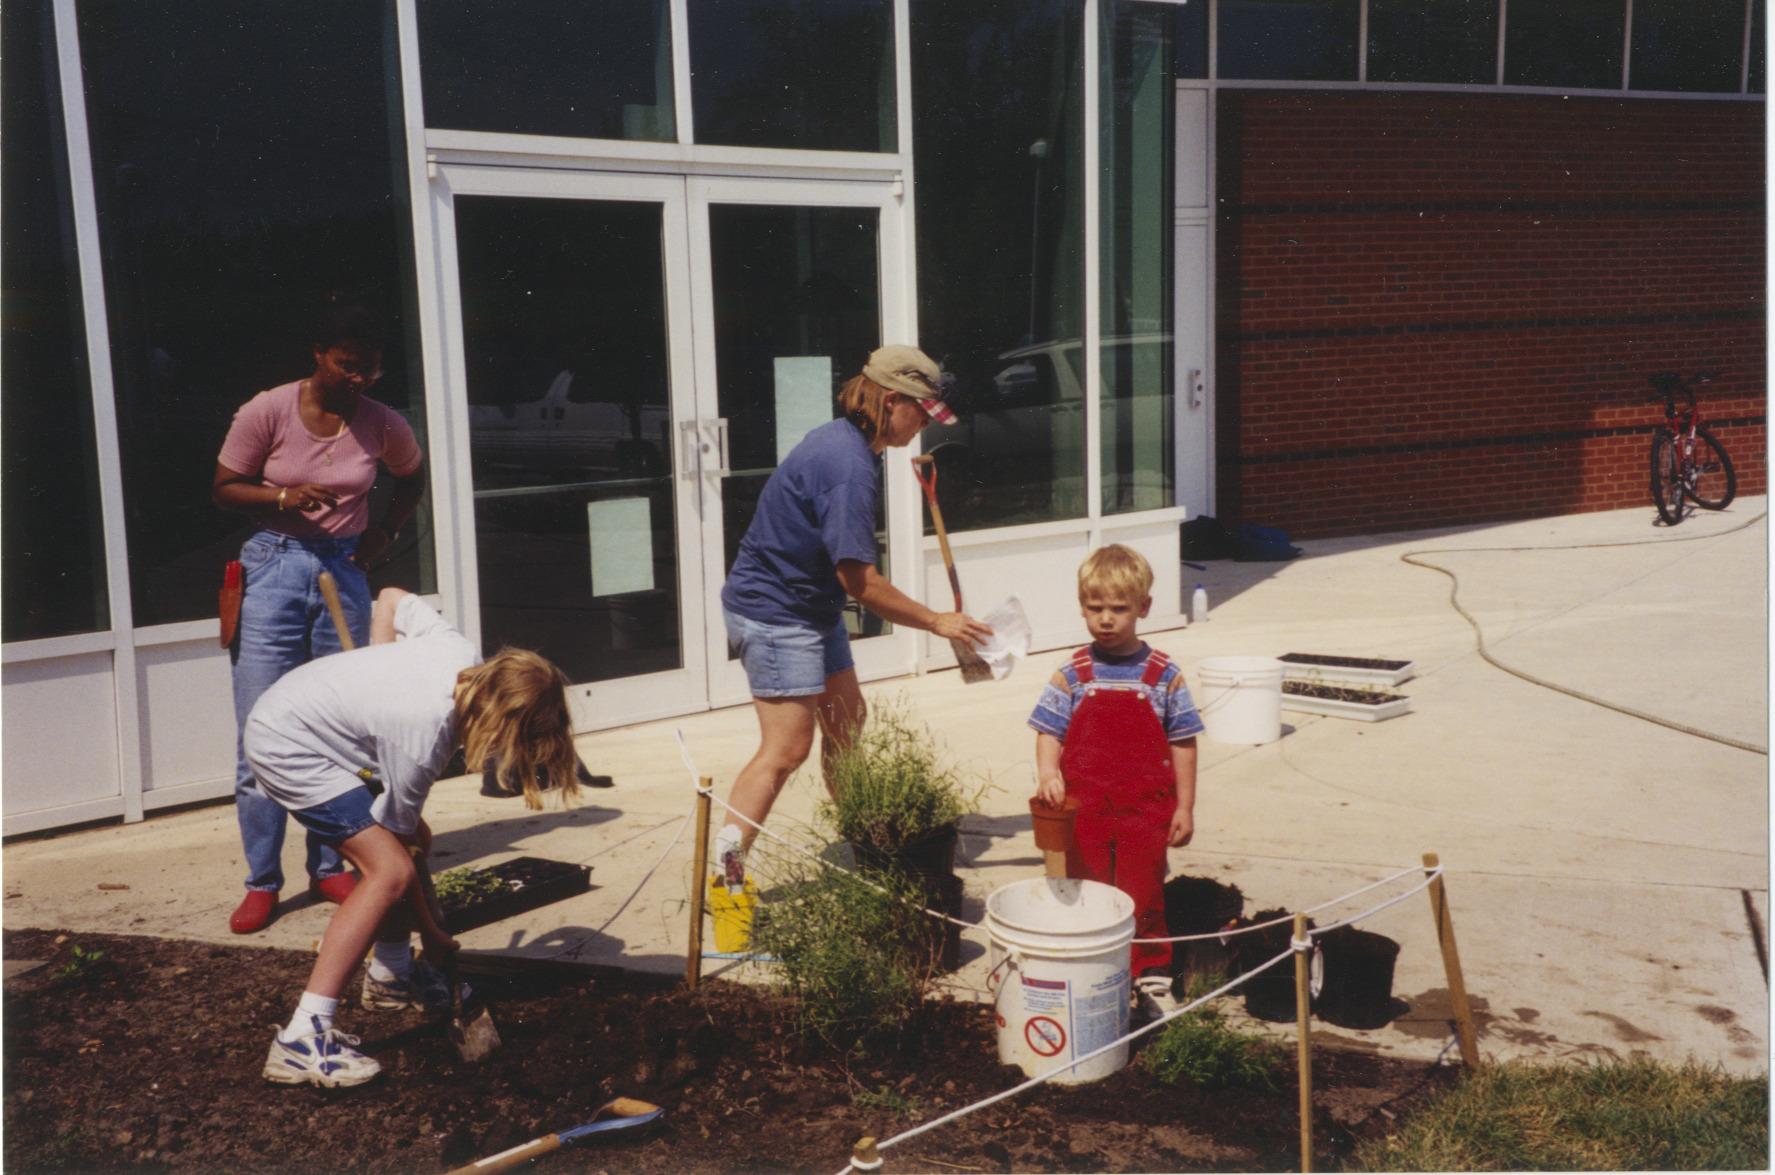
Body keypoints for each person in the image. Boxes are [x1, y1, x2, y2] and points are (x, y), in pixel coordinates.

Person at [250, 587, 580, 1088]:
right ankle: (302, 1036)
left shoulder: (459, 652)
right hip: (288, 743)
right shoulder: (423, 733)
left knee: (401, 847)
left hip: (308, 720)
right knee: (389, 869)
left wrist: (380, 661)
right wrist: (433, 933)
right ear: (501, 720)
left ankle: (391, 975)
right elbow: (400, 861)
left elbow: (389, 598)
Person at [713, 345, 994, 883]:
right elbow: (859, 581)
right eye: (923, 413)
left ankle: (865, 847)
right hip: (776, 613)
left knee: (847, 724)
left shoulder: (850, 444)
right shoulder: (848, 467)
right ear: (892, 401)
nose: (925, 427)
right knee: (786, 749)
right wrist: (937, 621)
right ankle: (724, 877)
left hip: (810, 606)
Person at [213, 297, 427, 934]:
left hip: (344, 572)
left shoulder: (383, 423)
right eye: (347, 365)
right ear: (319, 355)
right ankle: (262, 880)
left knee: (339, 733)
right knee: (260, 738)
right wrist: (280, 494)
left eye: (370, 369)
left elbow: (412, 478)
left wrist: (385, 532)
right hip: (273, 568)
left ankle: (330, 864)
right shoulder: (269, 410)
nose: (358, 379)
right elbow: (224, 487)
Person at [1029, 545, 1202, 1019]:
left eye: (1119, 609)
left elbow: (1183, 743)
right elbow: (1049, 731)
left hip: (1145, 808)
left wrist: (1184, 807)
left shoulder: (1163, 676)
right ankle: (1093, 967)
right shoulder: (1073, 675)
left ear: (1144, 608)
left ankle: (1151, 975)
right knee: (1084, 888)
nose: (1106, 619)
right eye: (1095, 608)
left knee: (1142, 889)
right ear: (1082, 606)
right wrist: (1049, 773)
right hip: (1085, 808)